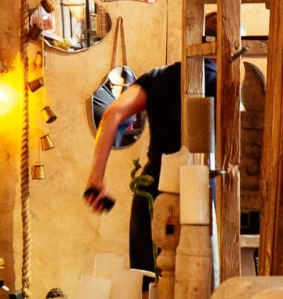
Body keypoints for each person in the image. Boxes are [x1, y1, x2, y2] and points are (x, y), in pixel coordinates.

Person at [83, 22, 218, 272]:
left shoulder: (159, 77)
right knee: (198, 278)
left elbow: (112, 114)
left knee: (148, 276)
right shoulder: (226, 84)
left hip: (155, 188)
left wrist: (96, 178)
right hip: (203, 190)